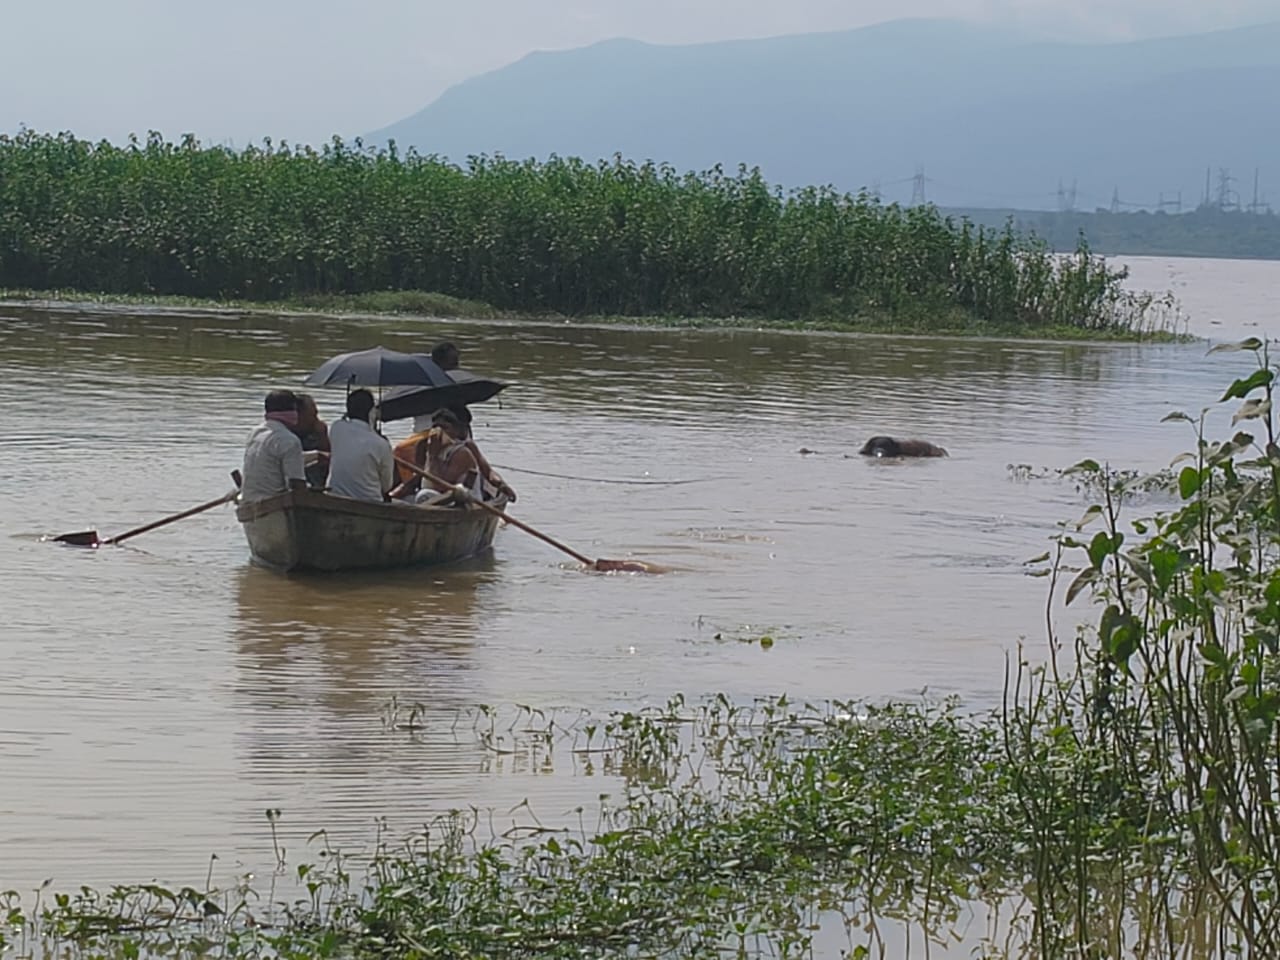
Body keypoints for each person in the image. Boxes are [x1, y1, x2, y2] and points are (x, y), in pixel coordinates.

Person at [390, 408, 516, 504]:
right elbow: (419, 478)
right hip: (432, 498)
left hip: (458, 501)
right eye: (435, 427)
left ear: (455, 430)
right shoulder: (423, 446)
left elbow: (440, 486)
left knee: (423, 495)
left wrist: (433, 455)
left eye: (445, 428)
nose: (439, 432)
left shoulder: (462, 452)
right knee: (406, 500)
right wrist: (392, 496)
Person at [327, 389, 395, 501]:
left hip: (335, 496)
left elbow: (344, 421)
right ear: (372, 412)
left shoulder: (336, 428)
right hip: (370, 501)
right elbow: (386, 486)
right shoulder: (381, 444)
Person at [241, 389, 307, 502]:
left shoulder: (255, 432)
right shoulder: (289, 440)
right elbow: (296, 483)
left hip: (249, 499)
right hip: (273, 502)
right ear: (291, 411)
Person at [294, 393, 331, 488]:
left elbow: (328, 458)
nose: (316, 419)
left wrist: (322, 435)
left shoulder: (316, 431)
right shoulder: (286, 435)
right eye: (313, 415)